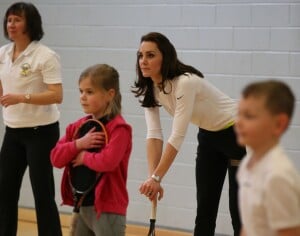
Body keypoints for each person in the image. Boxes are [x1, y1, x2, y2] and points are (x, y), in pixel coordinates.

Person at [132, 32, 246, 236]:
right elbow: (154, 135)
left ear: (165, 57)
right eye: (141, 55)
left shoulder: (185, 82)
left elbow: (177, 136)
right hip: (209, 137)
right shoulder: (151, 87)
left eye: (150, 55)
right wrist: (153, 179)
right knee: (205, 209)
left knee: (238, 212)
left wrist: (157, 177)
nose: (143, 61)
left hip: (238, 134)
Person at [0, 2, 63, 235]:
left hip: (41, 133)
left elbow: (56, 95)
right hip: (13, 132)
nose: (11, 24)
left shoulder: (45, 55)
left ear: (30, 23)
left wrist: (21, 97)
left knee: (43, 195)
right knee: (4, 192)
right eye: (9, 20)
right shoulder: (3, 53)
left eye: (17, 19)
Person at [51, 64, 132, 236]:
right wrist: (78, 144)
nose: (82, 97)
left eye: (89, 92)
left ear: (110, 94)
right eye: (81, 91)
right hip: (82, 206)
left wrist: (84, 158)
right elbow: (55, 159)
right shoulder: (77, 127)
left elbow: (109, 161)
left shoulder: (119, 129)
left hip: (108, 209)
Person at [235, 80, 300, 236]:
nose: (238, 122)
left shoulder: (277, 176)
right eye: (238, 114)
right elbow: (249, 225)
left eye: (249, 116)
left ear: (279, 124)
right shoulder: (246, 164)